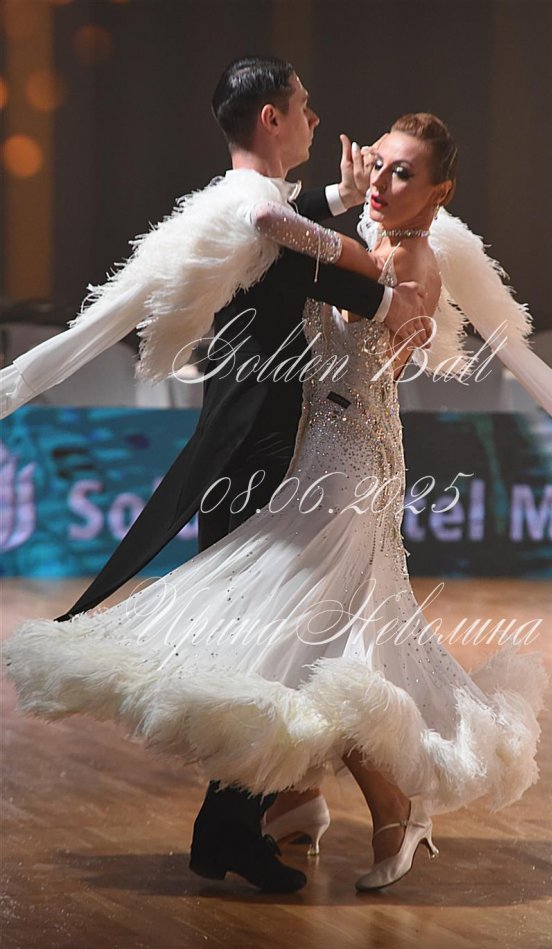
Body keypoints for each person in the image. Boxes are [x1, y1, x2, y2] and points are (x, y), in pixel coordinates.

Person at [0, 57, 430, 895]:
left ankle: (243, 820)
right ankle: (255, 817)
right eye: (304, 106)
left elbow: (279, 230)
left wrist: (338, 208)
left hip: (264, 438)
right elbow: (276, 229)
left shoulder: (236, 197)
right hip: (256, 445)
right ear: (271, 117)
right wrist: (375, 279)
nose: (314, 119)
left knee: (264, 634)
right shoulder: (251, 204)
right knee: (266, 632)